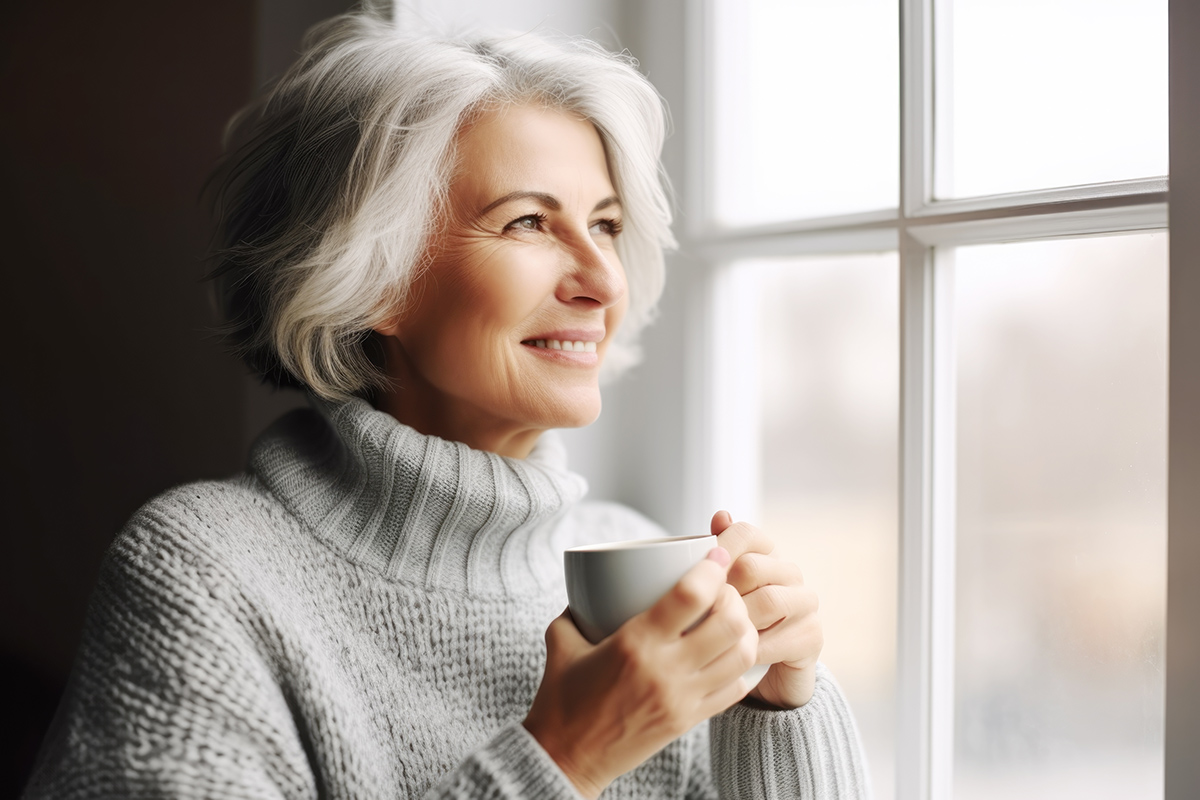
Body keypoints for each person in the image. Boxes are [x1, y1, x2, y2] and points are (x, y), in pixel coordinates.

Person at [24, 9, 870, 799]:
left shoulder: (630, 565)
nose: (604, 279)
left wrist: (779, 716)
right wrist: (565, 756)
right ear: (370, 276)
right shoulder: (201, 577)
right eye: (530, 224)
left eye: (606, 225)